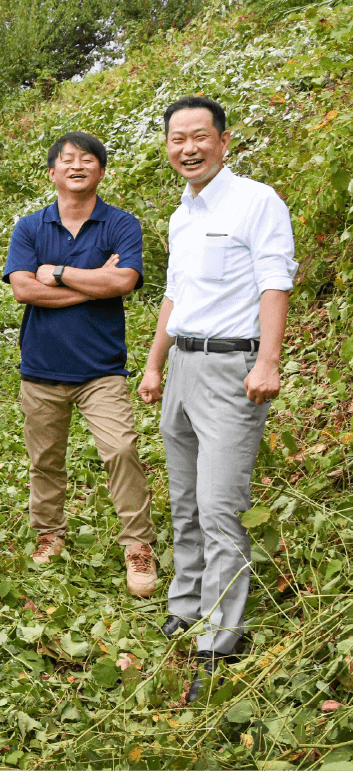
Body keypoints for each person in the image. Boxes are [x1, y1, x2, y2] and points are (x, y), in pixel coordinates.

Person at [138, 96, 296, 701]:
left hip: (234, 368)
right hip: (182, 364)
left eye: (199, 136)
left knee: (220, 505)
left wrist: (268, 359)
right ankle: (185, 602)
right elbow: (175, 297)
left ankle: (219, 638)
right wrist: (154, 366)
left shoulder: (257, 201)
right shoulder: (183, 212)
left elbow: (275, 279)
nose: (188, 148)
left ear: (224, 141)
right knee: (184, 499)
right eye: (177, 138)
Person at [3, 132, 158, 596]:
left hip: (102, 370)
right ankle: (48, 534)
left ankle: (138, 547)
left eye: (87, 159)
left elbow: (125, 280)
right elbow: (24, 289)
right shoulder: (30, 227)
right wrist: (96, 282)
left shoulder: (121, 224)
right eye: (66, 160)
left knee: (122, 451)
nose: (77, 165)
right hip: (42, 369)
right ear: (52, 173)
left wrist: (61, 273)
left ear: (101, 171)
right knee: (45, 460)